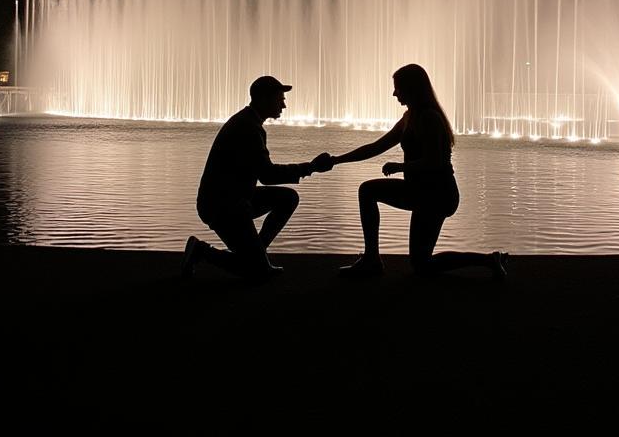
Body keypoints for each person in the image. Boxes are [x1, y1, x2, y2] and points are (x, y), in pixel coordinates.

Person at [328, 63, 507, 279]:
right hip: (420, 191)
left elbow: (437, 162)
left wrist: (401, 166)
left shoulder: (429, 118)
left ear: (412, 88)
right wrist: (337, 160)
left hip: (437, 194)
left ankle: (372, 260)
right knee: (419, 260)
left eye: (398, 88)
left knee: (420, 262)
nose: (394, 93)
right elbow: (377, 147)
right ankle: (371, 259)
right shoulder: (410, 117)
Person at [181, 75, 332, 280]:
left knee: (288, 198)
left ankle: (257, 254)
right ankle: (202, 251)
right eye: (280, 99)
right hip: (222, 206)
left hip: (234, 199)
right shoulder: (248, 128)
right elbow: (268, 175)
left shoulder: (248, 122)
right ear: (263, 99)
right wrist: (311, 167)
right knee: (256, 272)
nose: (284, 105)